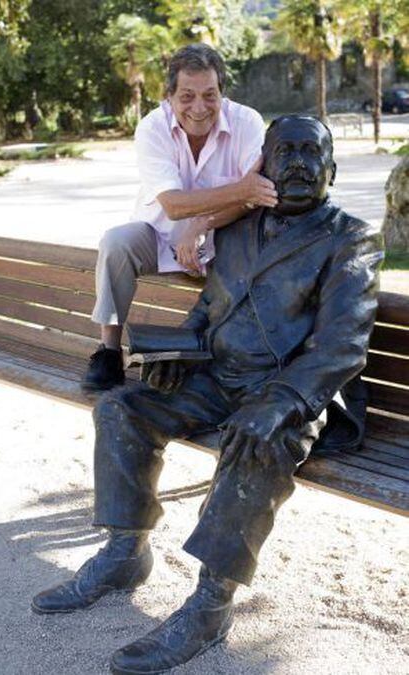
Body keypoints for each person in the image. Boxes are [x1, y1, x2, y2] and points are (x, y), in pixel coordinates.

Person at [32, 115, 384, 675]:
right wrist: (181, 353)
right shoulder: (239, 229)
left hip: (289, 393)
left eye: (309, 152)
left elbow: (342, 347)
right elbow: (208, 312)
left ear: (332, 170)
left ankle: (210, 606)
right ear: (261, 166)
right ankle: (125, 553)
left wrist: (277, 404)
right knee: (122, 405)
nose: (296, 162)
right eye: (284, 151)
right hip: (215, 379)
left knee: (255, 440)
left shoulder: (351, 237)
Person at [82, 42, 277, 393]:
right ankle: (108, 351)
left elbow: (258, 195)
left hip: (226, 242)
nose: (199, 108)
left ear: (222, 93)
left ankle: (238, 366)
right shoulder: (152, 127)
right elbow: (173, 205)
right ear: (168, 95)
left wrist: (203, 223)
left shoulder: (247, 122)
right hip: (159, 235)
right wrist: (240, 191)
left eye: (210, 95)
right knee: (116, 242)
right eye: (187, 96)